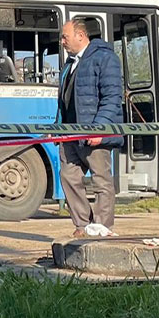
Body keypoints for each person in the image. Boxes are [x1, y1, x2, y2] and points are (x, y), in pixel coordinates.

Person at [57, 17, 124, 238]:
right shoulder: (70, 64)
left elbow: (112, 98)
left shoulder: (105, 58)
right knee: (68, 176)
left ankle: (102, 227)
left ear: (80, 35)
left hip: (94, 133)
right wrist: (58, 129)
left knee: (101, 180)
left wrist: (99, 129)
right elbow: (65, 101)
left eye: (65, 37)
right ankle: (83, 224)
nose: (62, 42)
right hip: (70, 134)